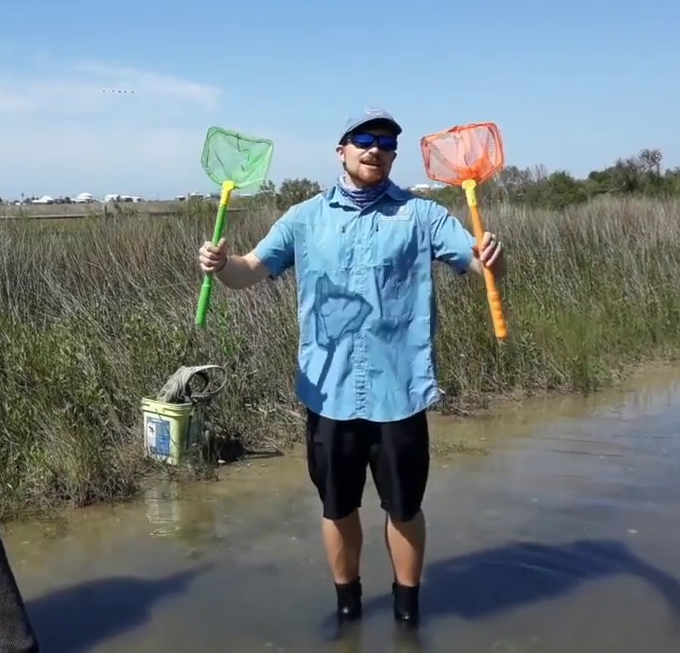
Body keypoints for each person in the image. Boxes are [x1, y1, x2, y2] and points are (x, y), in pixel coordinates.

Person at [196, 108, 506, 629]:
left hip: (400, 390)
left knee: (404, 508)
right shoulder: (304, 217)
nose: (376, 149)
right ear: (341, 149)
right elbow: (250, 269)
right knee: (338, 507)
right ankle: (349, 608)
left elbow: (473, 261)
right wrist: (221, 264)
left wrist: (491, 260)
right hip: (329, 391)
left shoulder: (422, 215)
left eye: (386, 142)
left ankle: (408, 612)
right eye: (364, 139)